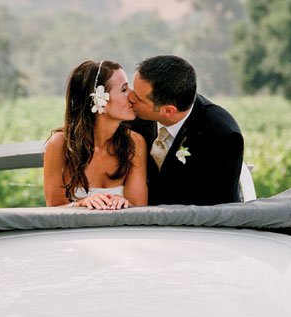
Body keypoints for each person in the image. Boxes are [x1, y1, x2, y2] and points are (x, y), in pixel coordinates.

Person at [129, 55, 244, 206]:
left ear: (168, 111)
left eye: (138, 98)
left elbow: (211, 206)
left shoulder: (223, 137)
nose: (130, 97)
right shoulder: (131, 117)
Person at [44, 60, 148, 210]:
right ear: (98, 101)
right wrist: (80, 204)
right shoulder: (60, 144)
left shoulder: (135, 142)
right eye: (124, 89)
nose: (132, 95)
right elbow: (53, 207)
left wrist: (123, 202)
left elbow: (139, 208)